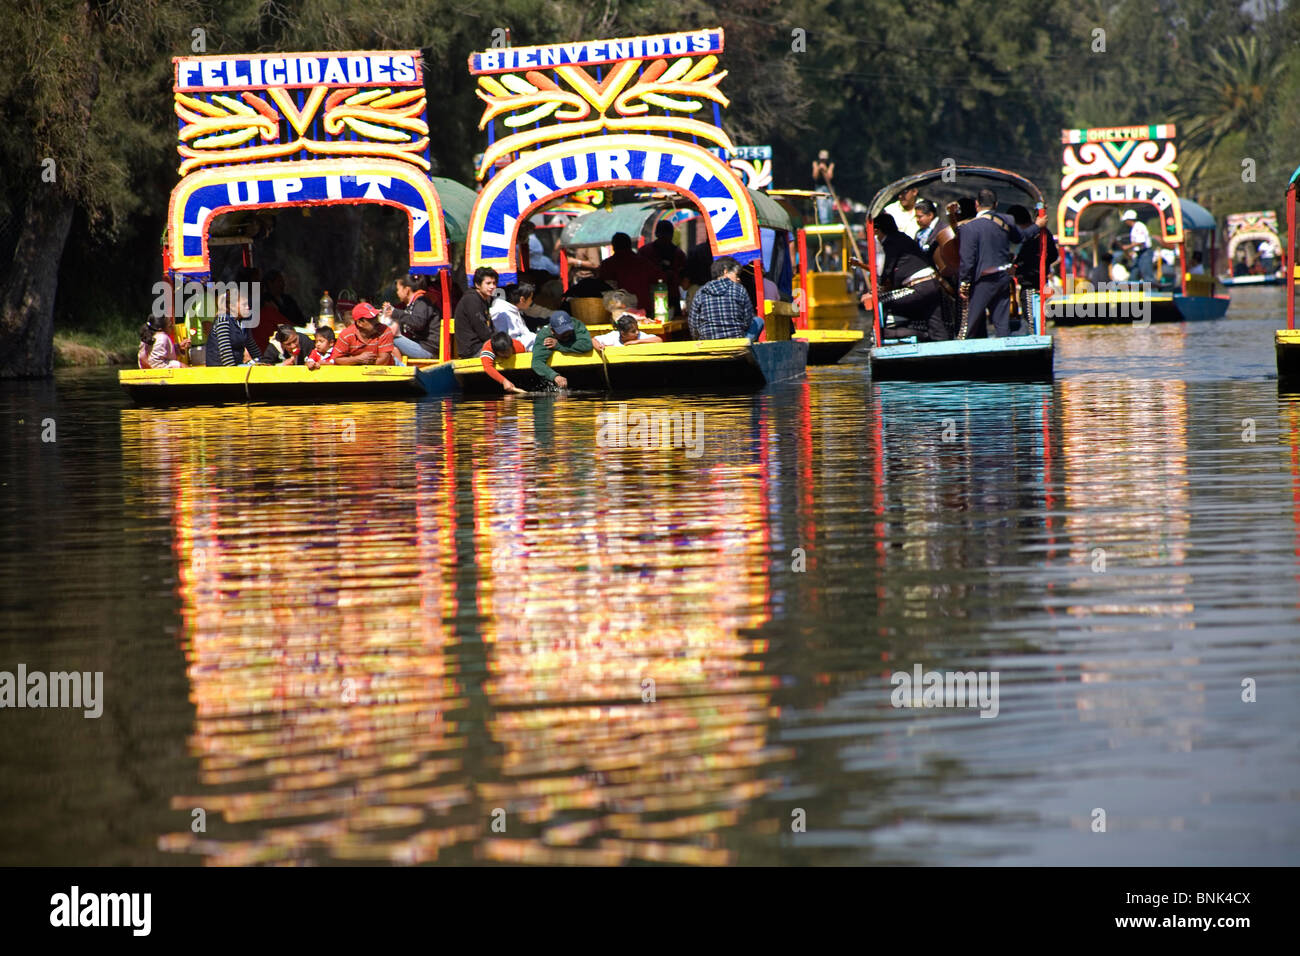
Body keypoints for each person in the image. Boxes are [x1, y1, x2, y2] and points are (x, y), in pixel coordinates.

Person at [957, 188, 1047, 339]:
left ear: (976, 204)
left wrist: (964, 282)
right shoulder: (1006, 221)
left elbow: (968, 260)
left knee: (970, 324)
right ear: (996, 204)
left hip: (982, 281)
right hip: (1002, 279)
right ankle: (1005, 354)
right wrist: (1037, 225)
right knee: (1002, 325)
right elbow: (1021, 237)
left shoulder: (969, 228)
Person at [868, 212, 948, 342]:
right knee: (935, 323)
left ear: (877, 230)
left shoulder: (891, 241)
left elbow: (889, 267)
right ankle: (940, 343)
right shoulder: (902, 237)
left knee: (881, 301)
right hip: (933, 283)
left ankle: (885, 335)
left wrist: (879, 285)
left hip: (919, 286)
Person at [689, 256, 763, 341]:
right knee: (758, 320)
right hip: (737, 342)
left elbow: (693, 325)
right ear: (725, 272)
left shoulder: (700, 292)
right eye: (737, 275)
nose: (739, 279)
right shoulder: (739, 289)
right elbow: (748, 321)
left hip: (709, 343)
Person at [599, 233, 663, 318]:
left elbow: (604, 288)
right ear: (629, 245)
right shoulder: (644, 263)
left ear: (613, 246)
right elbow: (660, 278)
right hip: (644, 311)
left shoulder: (607, 265)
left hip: (618, 313)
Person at [531, 309, 592, 390]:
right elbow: (536, 363)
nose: (567, 334)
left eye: (568, 330)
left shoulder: (576, 324)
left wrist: (559, 345)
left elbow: (587, 344)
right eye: (562, 332)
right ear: (552, 331)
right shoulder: (545, 336)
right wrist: (554, 376)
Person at [385, 274, 441, 359]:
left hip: (427, 349)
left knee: (387, 338)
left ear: (406, 290)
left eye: (398, 289)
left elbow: (418, 323)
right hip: (420, 344)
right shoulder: (414, 303)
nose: (397, 293)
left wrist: (396, 313)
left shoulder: (422, 302)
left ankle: (401, 368)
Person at [639, 220, 687, 315]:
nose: (664, 240)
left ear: (656, 233)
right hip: (654, 298)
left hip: (666, 297)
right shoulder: (679, 254)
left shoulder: (644, 252)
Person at [1009, 204, 1058, 292]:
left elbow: (1032, 262)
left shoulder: (1033, 236)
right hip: (1037, 283)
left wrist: (1017, 269)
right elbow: (1053, 255)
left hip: (1031, 285)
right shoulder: (1044, 233)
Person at [207, 289, 261, 366]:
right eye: (244, 305)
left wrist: (261, 362)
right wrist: (232, 372)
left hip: (237, 366)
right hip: (220, 369)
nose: (248, 307)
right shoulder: (223, 320)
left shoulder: (243, 322)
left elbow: (251, 345)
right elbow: (225, 351)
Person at [331, 302, 398, 365]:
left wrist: (355, 361)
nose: (376, 321)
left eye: (376, 317)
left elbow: (383, 361)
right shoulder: (346, 335)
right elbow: (337, 359)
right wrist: (358, 359)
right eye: (371, 319)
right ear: (359, 323)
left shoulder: (385, 331)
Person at [454, 267, 498, 359]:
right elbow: (482, 331)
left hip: (481, 346)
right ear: (477, 284)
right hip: (472, 350)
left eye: (494, 283)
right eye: (488, 283)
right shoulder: (471, 299)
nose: (492, 286)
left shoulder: (483, 299)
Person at [490, 282, 537, 349]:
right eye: (530, 298)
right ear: (522, 299)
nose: (531, 301)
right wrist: (536, 338)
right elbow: (511, 340)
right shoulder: (502, 313)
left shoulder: (515, 310)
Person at [594, 313, 663, 351]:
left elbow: (659, 340)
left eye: (637, 329)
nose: (637, 332)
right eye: (633, 331)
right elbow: (593, 340)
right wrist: (600, 347)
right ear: (623, 333)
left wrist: (636, 342)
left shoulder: (640, 336)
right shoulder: (614, 336)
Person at [1119, 209, 1154, 282]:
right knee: (1134, 274)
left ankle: (1152, 292)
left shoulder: (1139, 227)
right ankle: (1133, 292)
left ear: (1129, 219)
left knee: (1147, 275)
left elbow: (1141, 241)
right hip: (1140, 253)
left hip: (1145, 253)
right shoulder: (1135, 228)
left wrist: (1127, 247)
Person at [811, 150, 835, 224]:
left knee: (829, 205)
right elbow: (815, 176)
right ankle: (824, 222)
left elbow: (830, 177)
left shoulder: (831, 164)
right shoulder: (815, 163)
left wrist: (826, 169)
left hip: (829, 187)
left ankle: (830, 222)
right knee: (821, 205)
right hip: (819, 188)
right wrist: (818, 169)